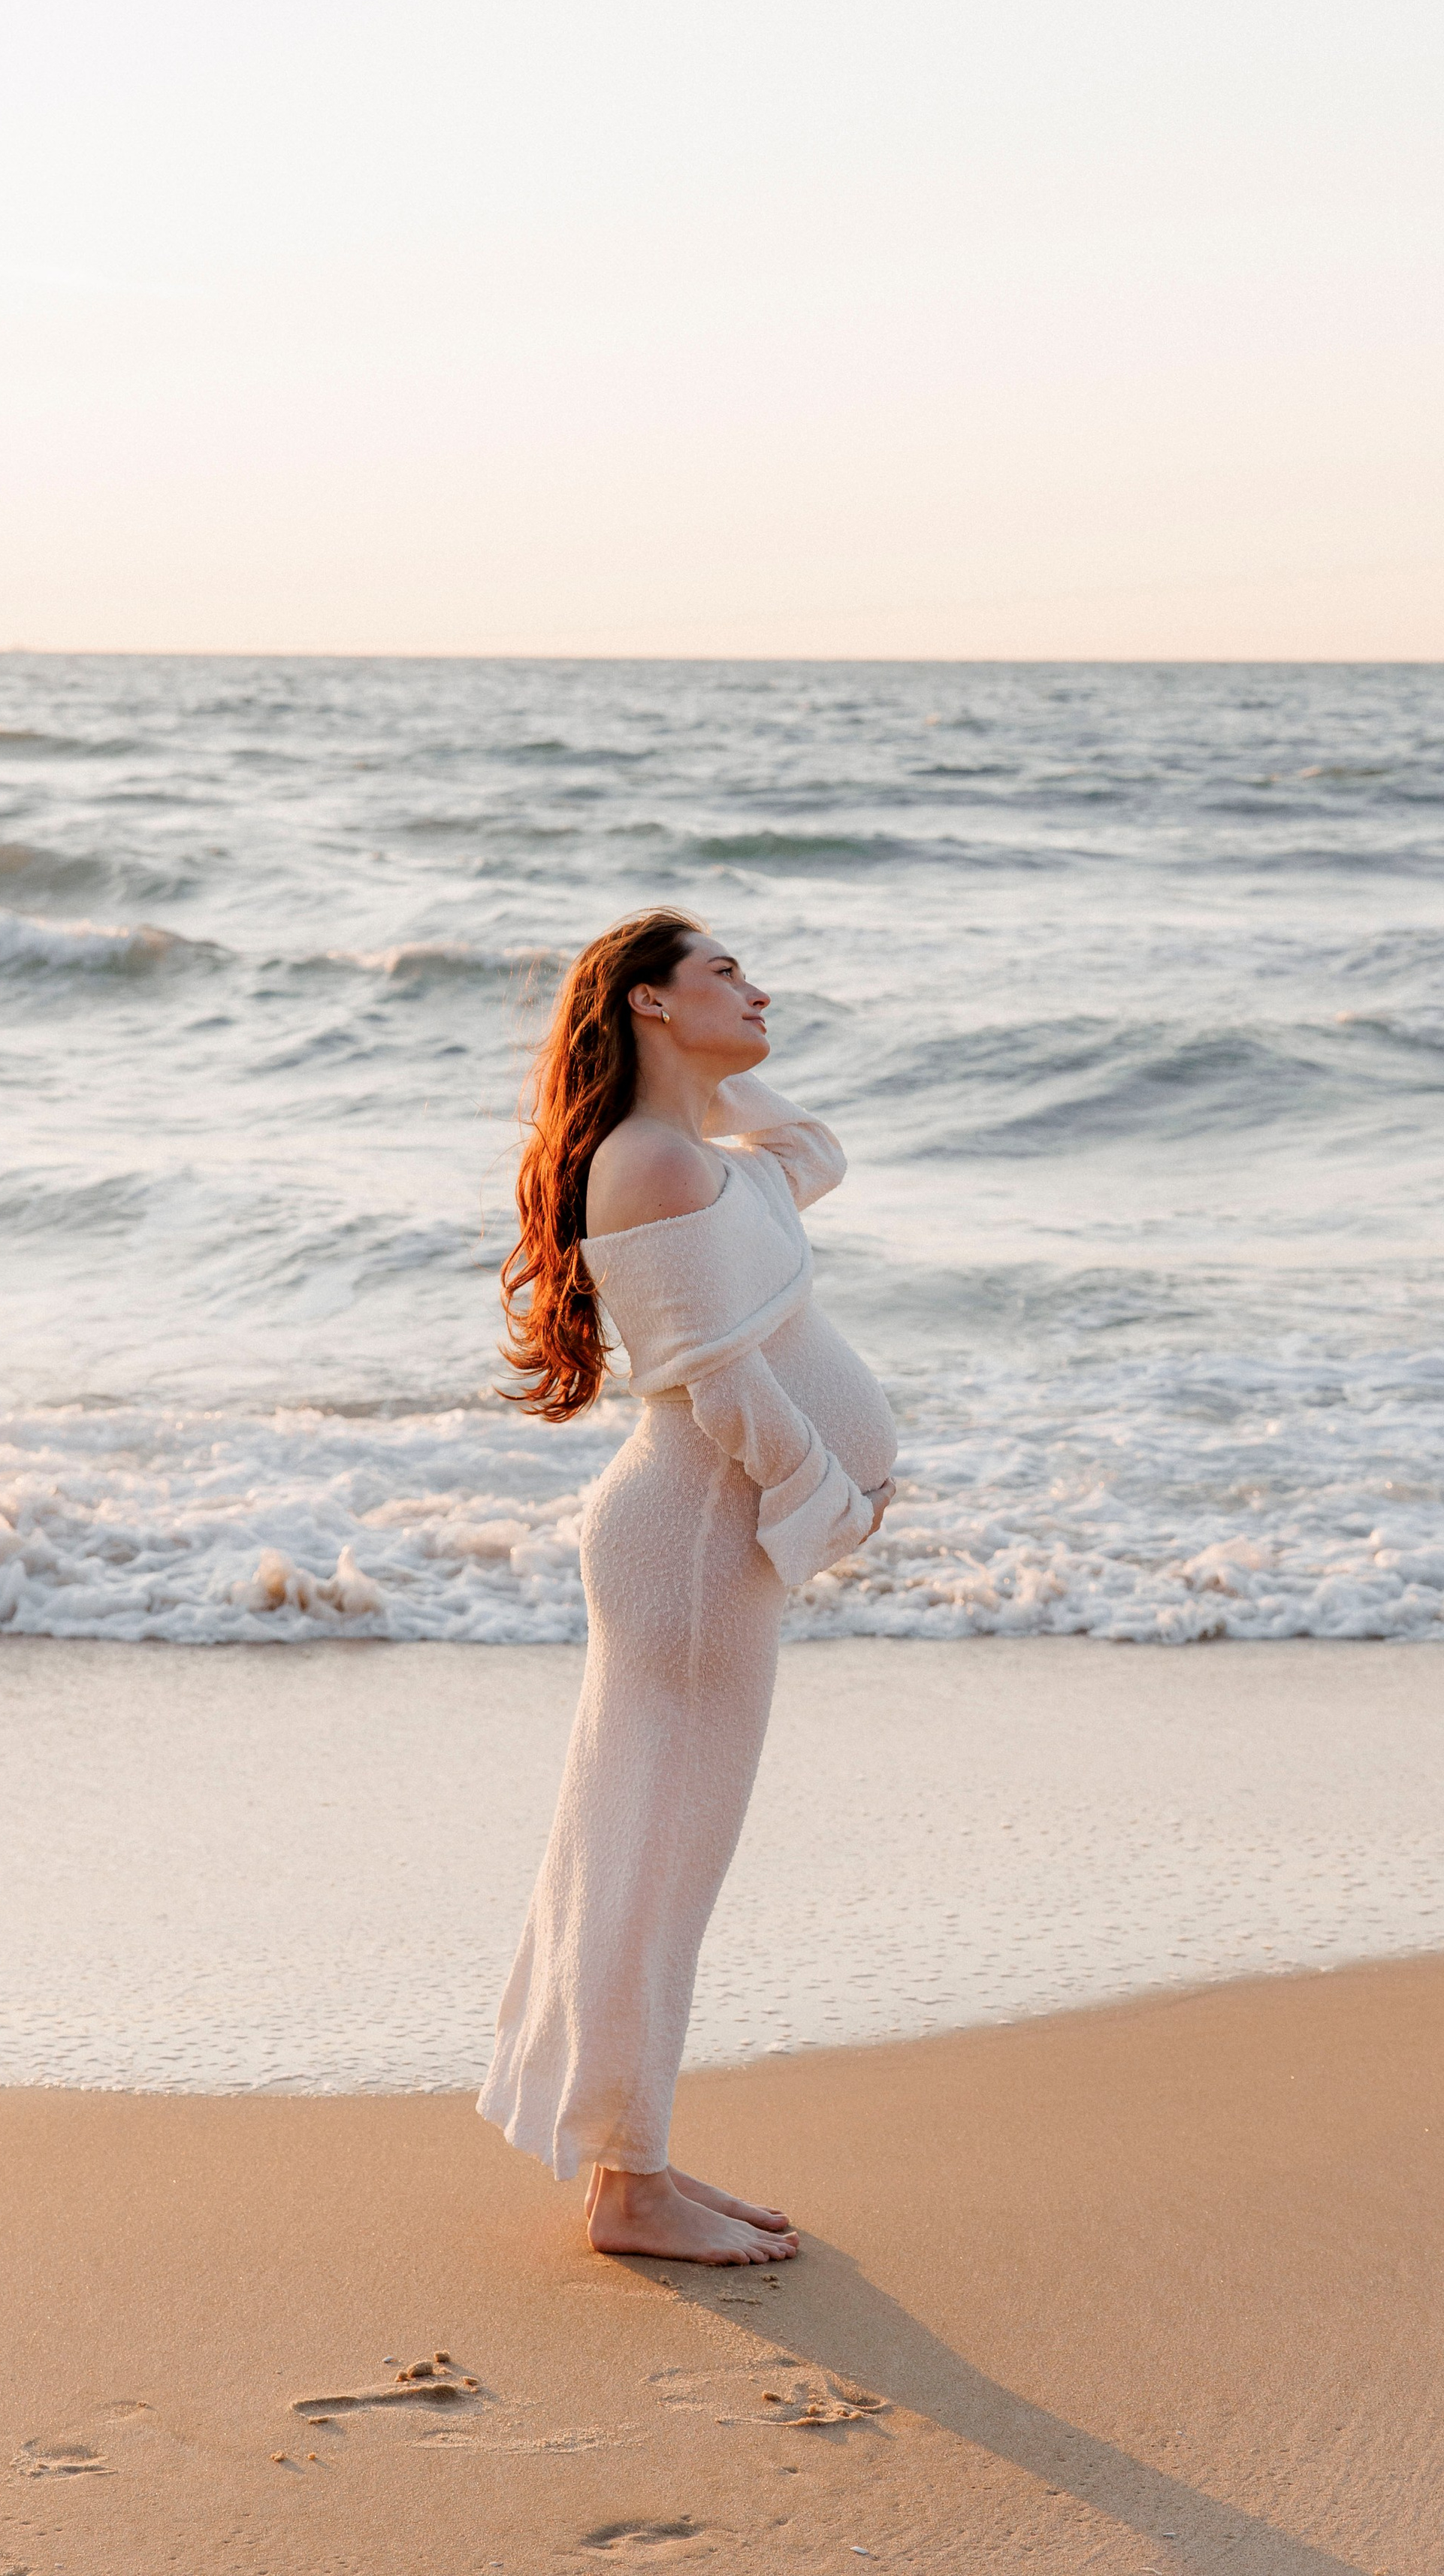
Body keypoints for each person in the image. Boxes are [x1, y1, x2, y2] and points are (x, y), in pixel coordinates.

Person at [477, 909, 896, 2263]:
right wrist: (831, 1503)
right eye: (725, 973)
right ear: (649, 1001)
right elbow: (719, 1383)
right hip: (695, 1543)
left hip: (712, 1543)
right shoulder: (651, 1164)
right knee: (653, 1867)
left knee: (662, 1861)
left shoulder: (705, 1159)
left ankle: (632, 2159)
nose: (760, 991)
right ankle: (631, 2188)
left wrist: (714, 1068)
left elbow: (815, 1148)